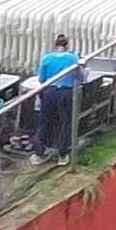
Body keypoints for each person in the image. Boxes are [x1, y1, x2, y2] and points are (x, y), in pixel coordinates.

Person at [33, 33, 81, 164]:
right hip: (65, 93)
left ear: (55, 45)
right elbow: (80, 77)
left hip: (49, 92)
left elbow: (41, 79)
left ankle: (39, 153)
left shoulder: (46, 58)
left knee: (44, 122)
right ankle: (62, 155)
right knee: (65, 123)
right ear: (66, 45)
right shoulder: (73, 58)